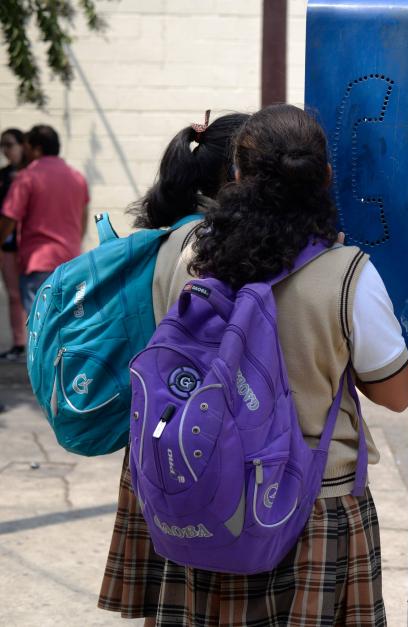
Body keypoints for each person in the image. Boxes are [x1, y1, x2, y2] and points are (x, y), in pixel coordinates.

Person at [148, 104, 408, 626]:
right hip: (314, 503)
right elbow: (396, 393)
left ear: (236, 175)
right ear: (325, 177)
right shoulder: (347, 274)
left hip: (212, 498)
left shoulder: (192, 260)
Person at [97, 111, 249, 625]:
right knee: (190, 592)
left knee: (168, 595)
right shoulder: (205, 246)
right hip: (189, 441)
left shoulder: (165, 237)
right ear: (233, 176)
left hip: (155, 433)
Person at [0, 124, 88, 316]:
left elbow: (9, 218)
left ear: (37, 149)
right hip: (71, 262)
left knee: (39, 326)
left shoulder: (27, 177)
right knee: (65, 324)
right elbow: (83, 219)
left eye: (27, 147)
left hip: (38, 264)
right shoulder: (77, 177)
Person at [0, 128, 26, 361]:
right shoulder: (3, 175)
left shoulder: (32, 173)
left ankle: (37, 342)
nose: (6, 150)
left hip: (30, 244)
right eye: (3, 146)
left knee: (35, 293)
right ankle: (19, 343)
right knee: (14, 294)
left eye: (9, 144)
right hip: (7, 244)